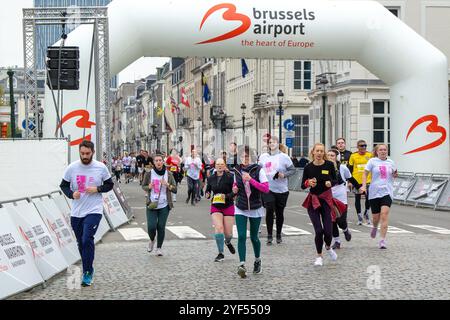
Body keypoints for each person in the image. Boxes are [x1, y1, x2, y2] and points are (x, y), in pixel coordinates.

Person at [59, 140, 114, 286]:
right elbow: (63, 185)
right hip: (77, 212)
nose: (85, 156)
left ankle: (87, 272)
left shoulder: (100, 167)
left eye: (87, 154)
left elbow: (110, 185)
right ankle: (88, 267)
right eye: (82, 153)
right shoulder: (72, 168)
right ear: (79, 152)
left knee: (86, 239)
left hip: (94, 210)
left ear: (93, 152)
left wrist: (97, 189)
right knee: (80, 243)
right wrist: (71, 194)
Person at [301, 143, 341, 267]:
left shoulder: (329, 165)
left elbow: (336, 180)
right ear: (313, 152)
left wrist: (330, 183)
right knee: (319, 231)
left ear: (324, 153)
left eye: (321, 151)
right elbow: (302, 185)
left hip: (326, 201)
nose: (319, 153)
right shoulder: (308, 167)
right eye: (317, 151)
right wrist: (308, 183)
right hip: (313, 201)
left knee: (328, 232)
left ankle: (328, 247)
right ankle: (319, 256)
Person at [232, 146, 270, 278]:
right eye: (242, 156)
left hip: (255, 207)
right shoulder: (236, 169)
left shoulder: (258, 170)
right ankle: (242, 264)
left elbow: (265, 189)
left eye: (247, 156)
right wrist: (235, 187)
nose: (245, 159)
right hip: (240, 206)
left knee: (254, 237)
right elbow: (235, 184)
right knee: (241, 236)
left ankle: (257, 260)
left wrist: (251, 180)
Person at [258, 137, 297, 245]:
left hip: (282, 189)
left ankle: (278, 234)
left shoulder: (284, 157)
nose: (272, 144)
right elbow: (258, 169)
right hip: (268, 188)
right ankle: (269, 235)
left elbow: (293, 170)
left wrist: (283, 175)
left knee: (280, 212)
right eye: (270, 142)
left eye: (274, 142)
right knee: (269, 209)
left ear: (278, 144)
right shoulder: (263, 157)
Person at [360, 144, 397, 249]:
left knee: (384, 215)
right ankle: (375, 227)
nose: (383, 151)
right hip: (374, 192)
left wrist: (395, 174)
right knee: (376, 217)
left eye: (385, 150)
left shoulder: (391, 162)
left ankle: (382, 240)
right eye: (381, 150)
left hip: (387, 192)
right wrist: (363, 186)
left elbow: (395, 174)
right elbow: (365, 174)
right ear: (377, 151)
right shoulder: (372, 161)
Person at [142, 154, 177, 256]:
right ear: (153, 162)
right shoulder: (149, 173)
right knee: (151, 227)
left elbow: (175, 189)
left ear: (163, 162)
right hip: (152, 204)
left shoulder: (169, 174)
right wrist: (148, 187)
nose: (158, 162)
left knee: (161, 226)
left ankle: (159, 248)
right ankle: (152, 240)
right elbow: (143, 186)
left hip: (164, 205)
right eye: (156, 160)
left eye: (160, 160)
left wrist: (167, 185)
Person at [327, 149, 360, 249]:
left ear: (336, 157)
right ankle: (337, 241)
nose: (330, 157)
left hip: (341, 199)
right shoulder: (323, 167)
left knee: (341, 221)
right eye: (328, 155)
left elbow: (351, 178)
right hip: (329, 198)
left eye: (332, 155)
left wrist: (359, 187)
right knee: (332, 221)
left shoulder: (342, 168)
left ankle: (345, 230)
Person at [205, 158, 236, 262]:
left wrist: (226, 196)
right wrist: (207, 194)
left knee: (228, 234)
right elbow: (208, 189)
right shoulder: (211, 178)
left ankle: (227, 242)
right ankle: (220, 253)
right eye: (217, 164)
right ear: (215, 166)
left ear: (224, 165)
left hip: (228, 205)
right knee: (218, 228)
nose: (219, 166)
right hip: (216, 205)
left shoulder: (230, 177)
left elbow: (235, 192)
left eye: (221, 164)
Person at [348, 140, 373, 225]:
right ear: (358, 147)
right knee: (357, 198)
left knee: (368, 198)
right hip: (357, 181)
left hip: (368, 180)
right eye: (362, 146)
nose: (364, 147)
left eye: (365, 146)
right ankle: (359, 216)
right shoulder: (353, 155)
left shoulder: (370, 155)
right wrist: (350, 181)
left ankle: (366, 212)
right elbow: (350, 169)